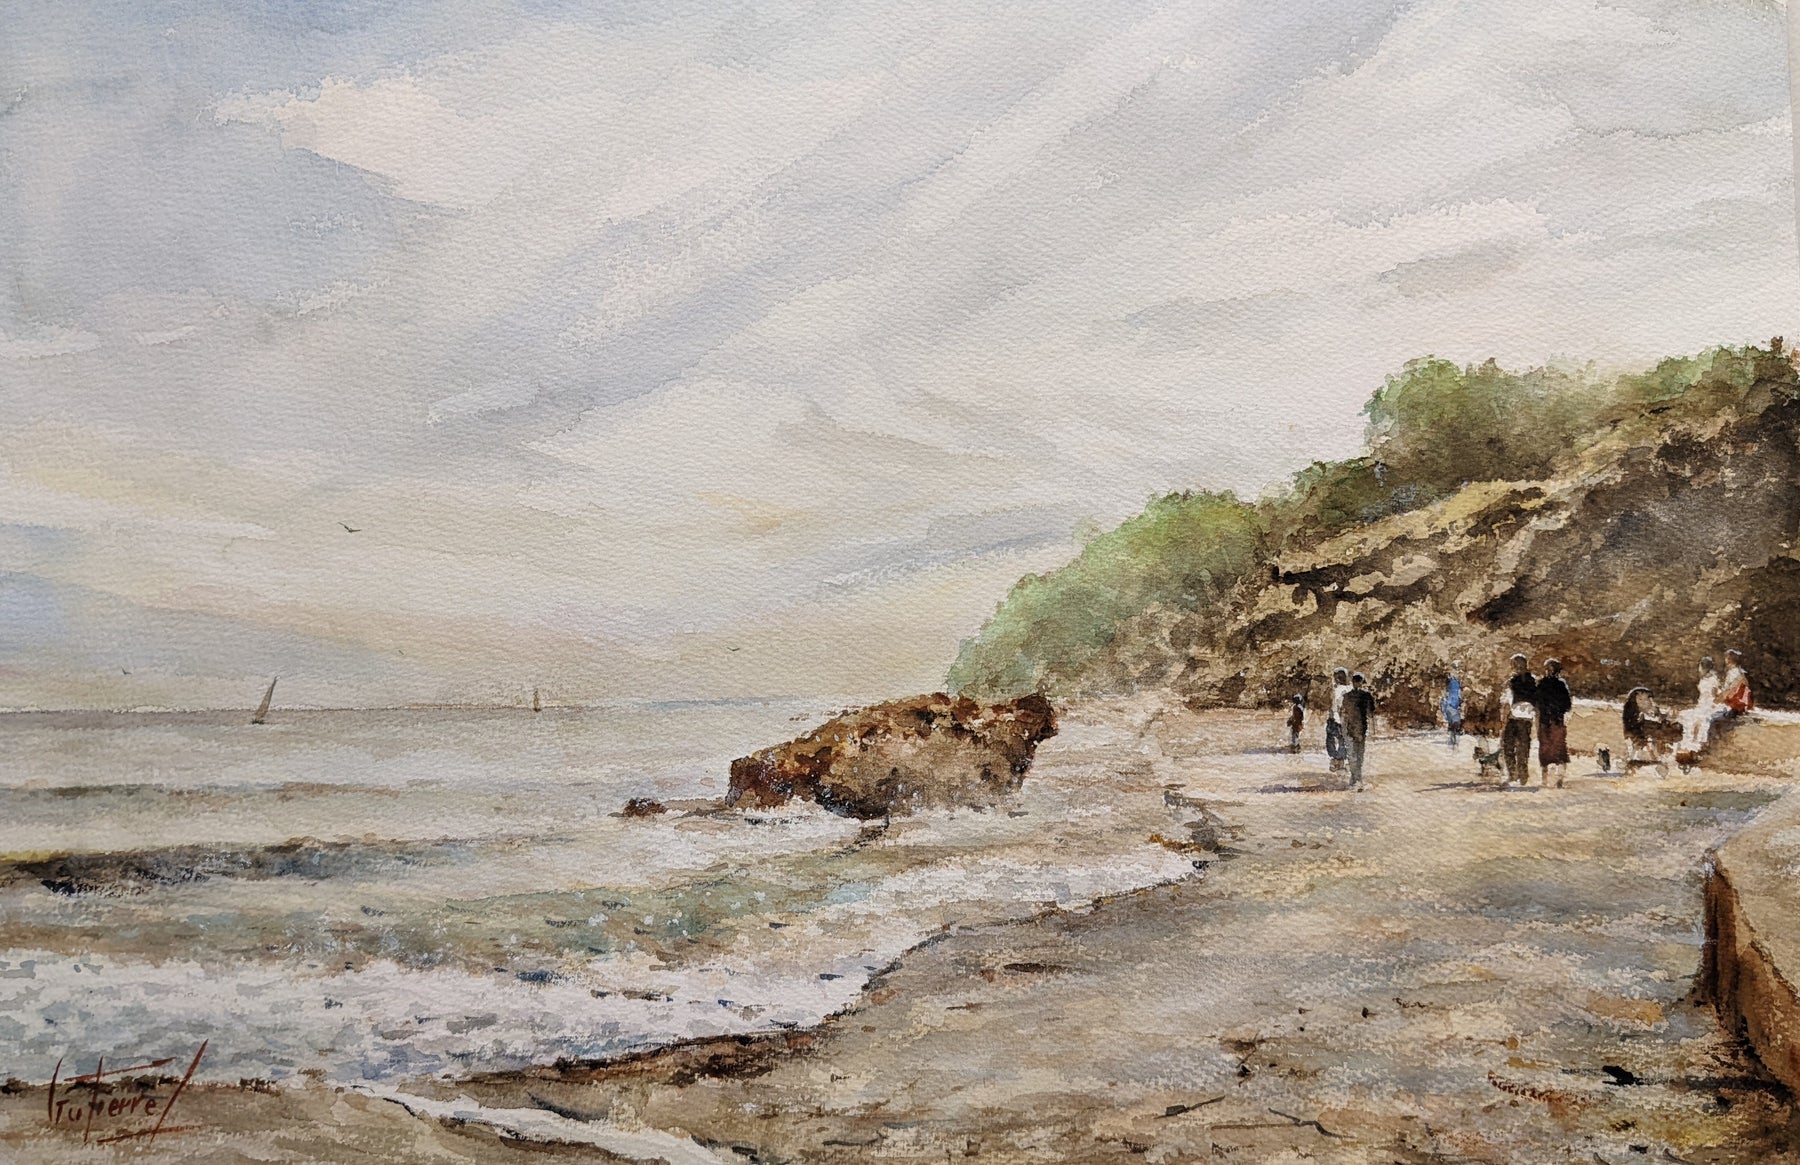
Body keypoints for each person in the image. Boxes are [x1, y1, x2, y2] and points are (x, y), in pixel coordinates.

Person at [1501, 654, 1537, 786]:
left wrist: (1503, 720)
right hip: (1527, 718)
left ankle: (1513, 774)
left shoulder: (1512, 682)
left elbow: (1507, 702)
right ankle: (1523, 774)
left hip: (1514, 717)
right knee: (1523, 748)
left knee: (1508, 746)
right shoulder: (1534, 681)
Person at [1536, 659, 1572, 787]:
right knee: (1559, 747)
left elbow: (1537, 703)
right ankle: (1559, 778)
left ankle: (1545, 779)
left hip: (1545, 720)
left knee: (1545, 747)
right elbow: (1567, 705)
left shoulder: (1541, 684)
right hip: (1557, 719)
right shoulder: (1561, 685)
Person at [1341, 672, 1377, 788]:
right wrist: (1373, 730)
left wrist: (1343, 728)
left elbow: (1344, 714)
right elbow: (1371, 714)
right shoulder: (1366, 696)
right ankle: (1357, 777)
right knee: (1358, 753)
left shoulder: (1347, 696)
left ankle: (1355, 777)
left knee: (1353, 754)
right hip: (1360, 728)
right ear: (1361, 682)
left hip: (1352, 727)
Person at [1680, 657, 1722, 750]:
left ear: (1704, 667)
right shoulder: (1703, 679)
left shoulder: (1713, 679)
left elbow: (1715, 695)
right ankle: (1689, 742)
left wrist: (1710, 704)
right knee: (1689, 717)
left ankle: (1699, 743)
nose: (1699, 669)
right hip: (1702, 703)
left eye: (1700, 667)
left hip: (1710, 704)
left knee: (1701, 718)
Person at [1326, 668, 1351, 772]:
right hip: (1343, 720)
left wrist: (1333, 716)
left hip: (1337, 719)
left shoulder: (1338, 690)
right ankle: (1340, 760)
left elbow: (1338, 706)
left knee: (1332, 739)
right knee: (1342, 740)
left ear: (1337, 678)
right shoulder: (1349, 689)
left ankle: (1337, 760)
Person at [1721, 650, 1754, 717]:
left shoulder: (1735, 672)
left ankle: (1735, 709)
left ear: (1729, 659)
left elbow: (1732, 687)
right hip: (1736, 697)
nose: (1725, 659)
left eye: (1726, 658)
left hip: (1736, 699)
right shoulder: (1736, 671)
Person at [1440, 663, 1465, 747]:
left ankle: (1454, 740)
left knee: (1454, 721)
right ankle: (1453, 740)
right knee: (1453, 720)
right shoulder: (1450, 679)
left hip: (1454, 703)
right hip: (1451, 703)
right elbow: (1446, 691)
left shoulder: (1457, 680)